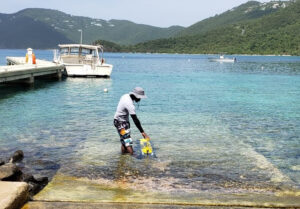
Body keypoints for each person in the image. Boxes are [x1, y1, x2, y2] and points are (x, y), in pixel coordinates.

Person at [114, 87, 150, 155]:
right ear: (135, 96)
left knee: (124, 141)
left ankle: (123, 159)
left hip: (117, 121)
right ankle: (134, 159)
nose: (140, 99)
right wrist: (142, 132)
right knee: (128, 142)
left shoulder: (125, 96)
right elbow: (135, 119)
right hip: (121, 124)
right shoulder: (129, 104)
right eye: (139, 97)